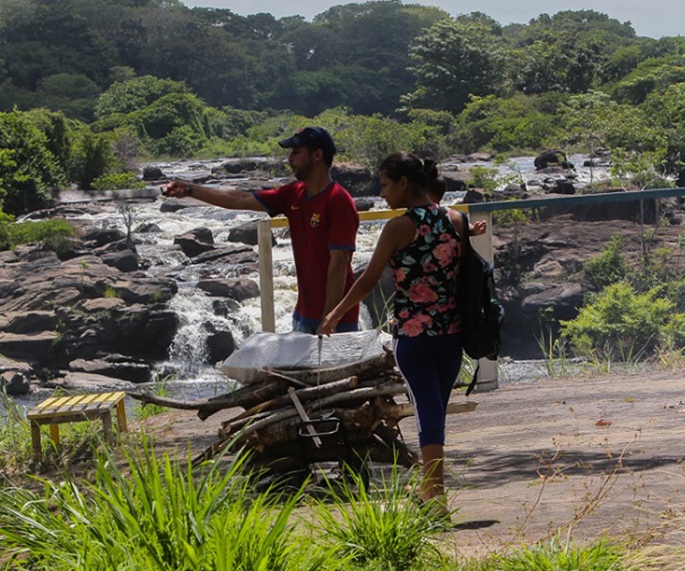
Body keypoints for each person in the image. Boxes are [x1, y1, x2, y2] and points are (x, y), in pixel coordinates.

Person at [318, 151, 466, 508]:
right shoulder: (458, 219)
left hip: (414, 337)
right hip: (451, 334)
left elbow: (369, 279)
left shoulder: (399, 226)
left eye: (385, 185)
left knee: (428, 413)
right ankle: (428, 489)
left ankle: (435, 494)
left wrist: (334, 313)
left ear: (403, 183)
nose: (382, 193)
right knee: (435, 411)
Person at [161, 126, 360, 334]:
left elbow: (339, 263)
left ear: (317, 155)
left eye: (296, 152)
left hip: (338, 321)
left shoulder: (338, 201)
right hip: (303, 316)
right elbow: (240, 199)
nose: (290, 159)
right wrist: (190, 189)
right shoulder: (293, 194)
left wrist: (329, 318)